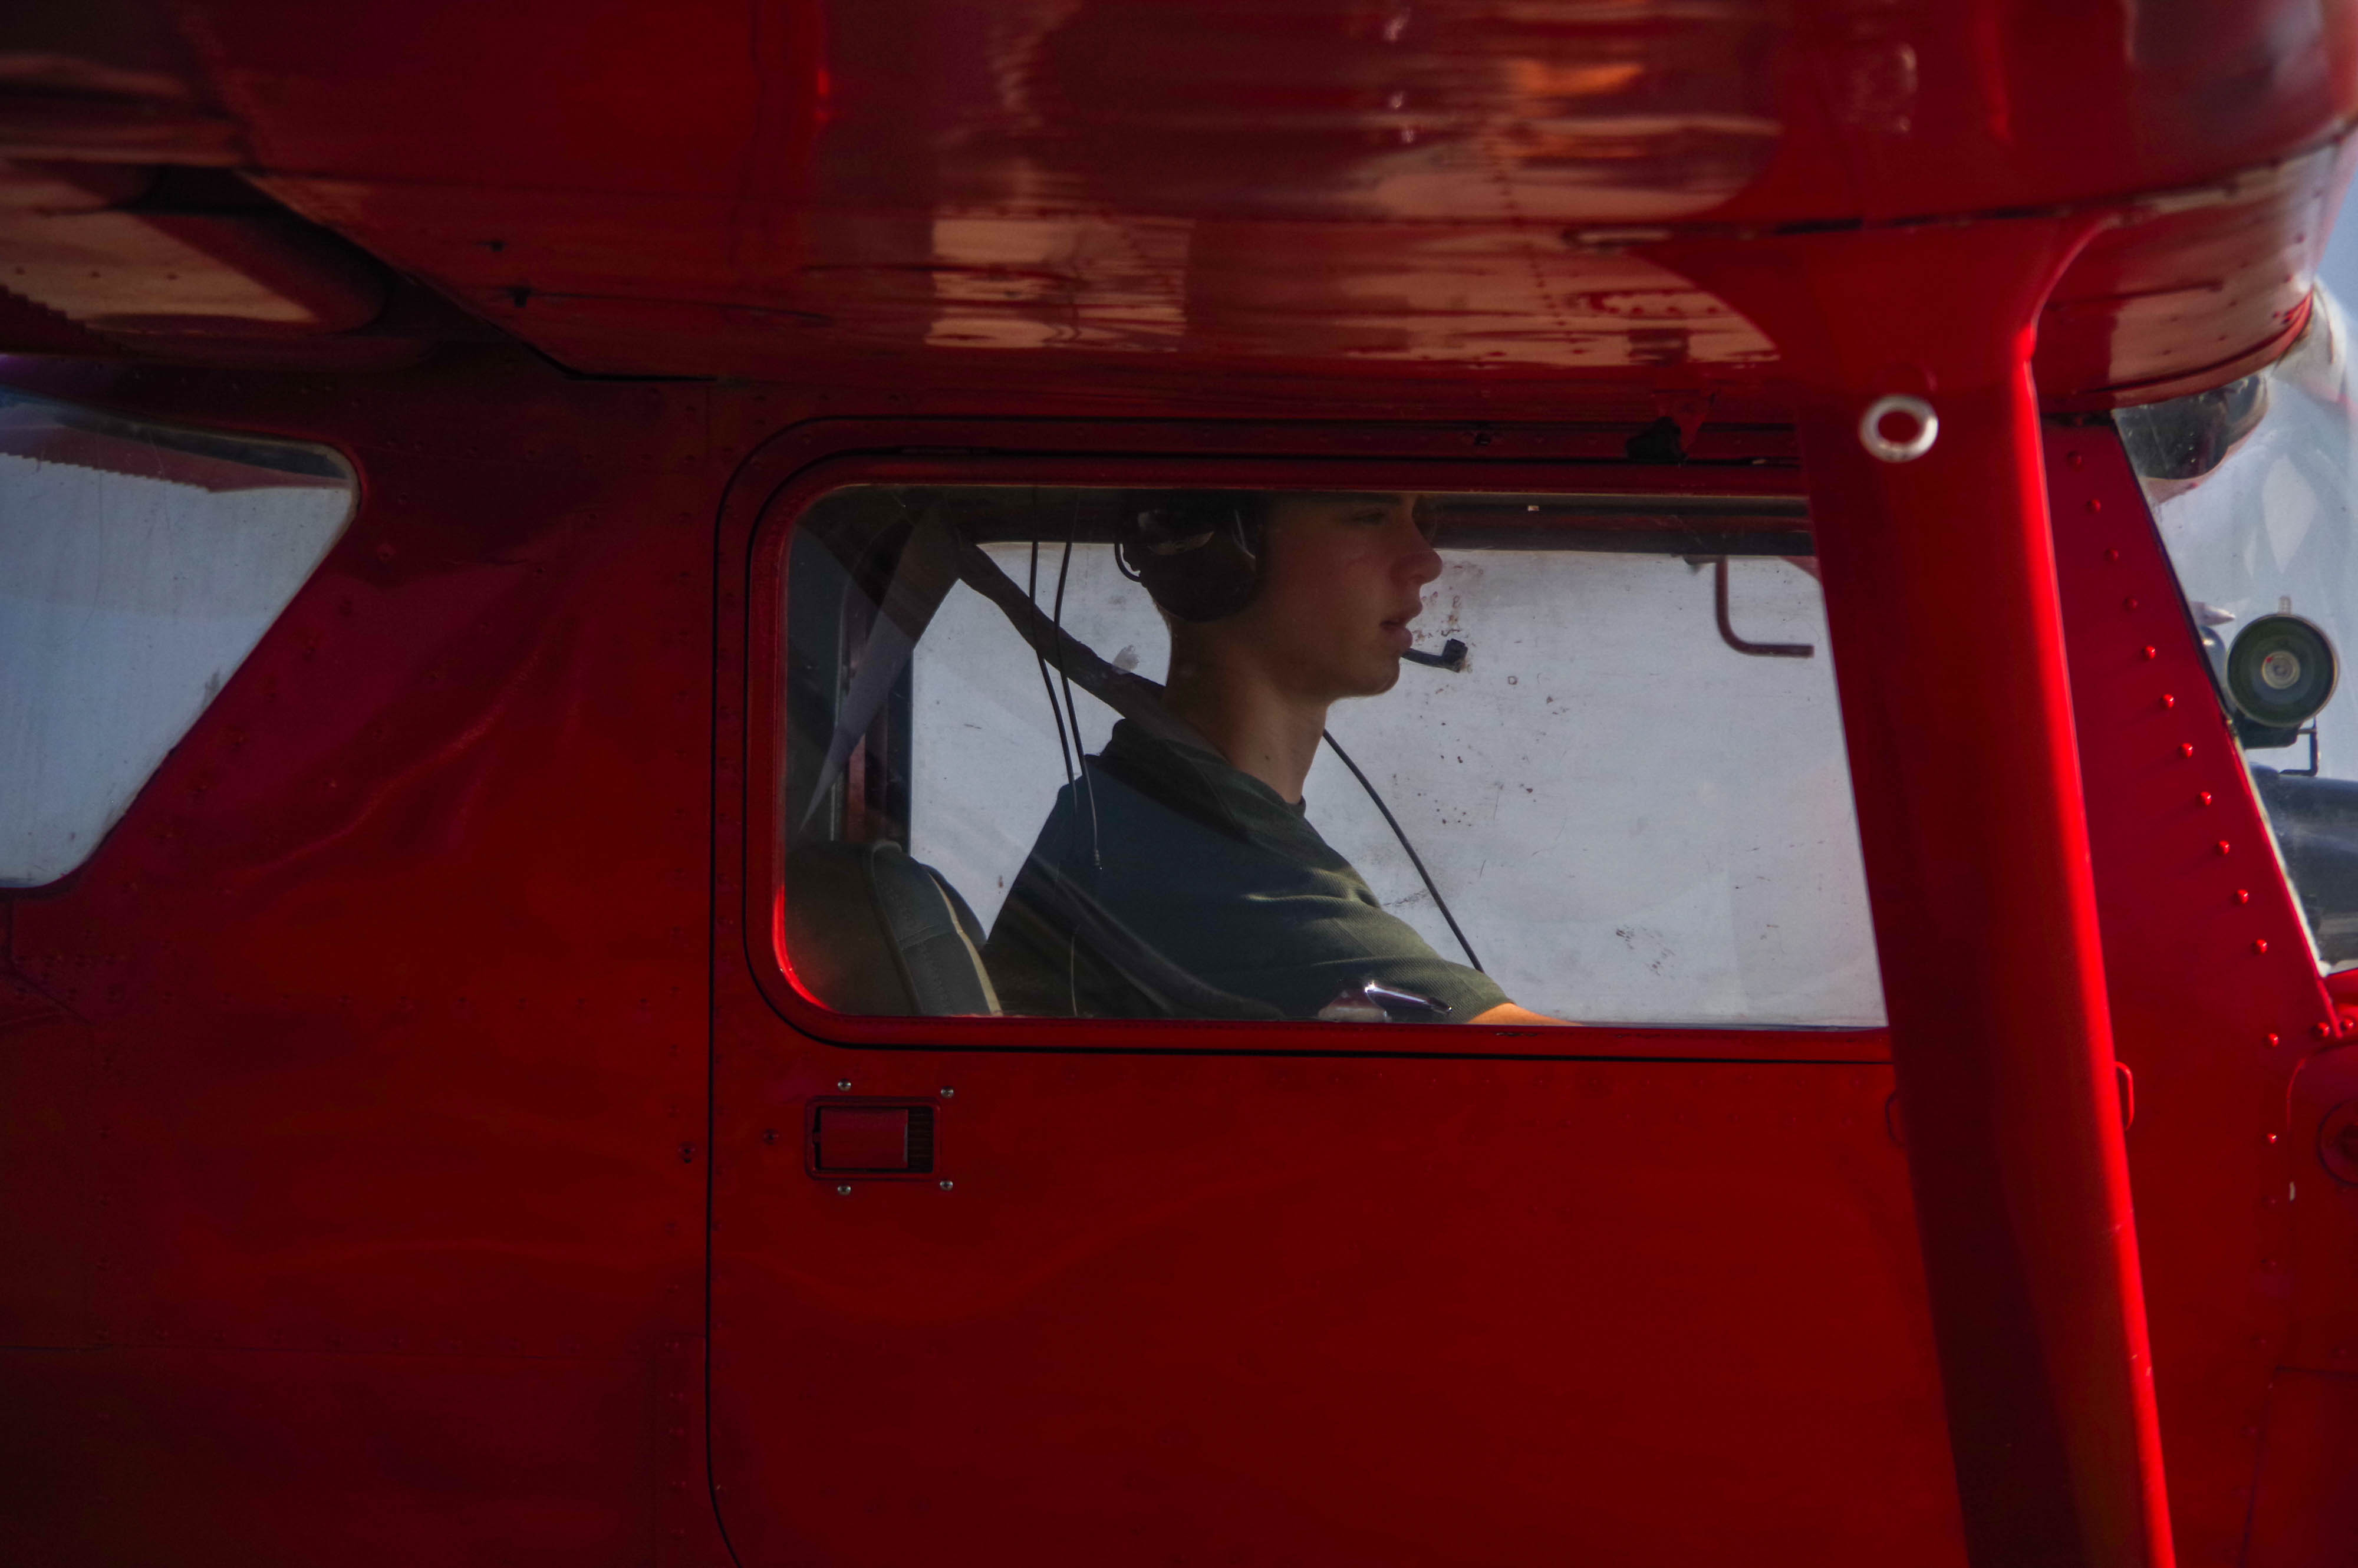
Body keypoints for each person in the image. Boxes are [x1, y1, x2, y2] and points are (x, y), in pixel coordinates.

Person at [982, 490, 1564, 1026]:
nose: (1426, 560)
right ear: (1214, 555)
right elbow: (1551, 1071)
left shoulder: (1160, 809)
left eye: (1422, 521)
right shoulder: (1183, 854)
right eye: (1369, 516)